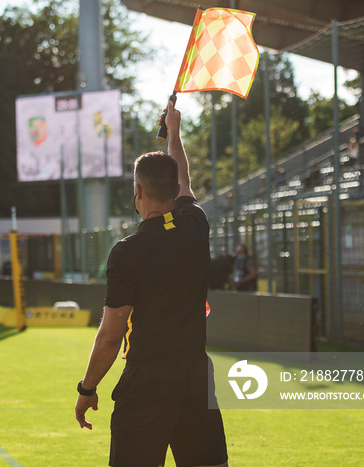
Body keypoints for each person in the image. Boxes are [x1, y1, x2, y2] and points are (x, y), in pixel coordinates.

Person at [75, 100, 228, 467]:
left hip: (147, 381)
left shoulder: (127, 252)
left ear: (138, 192)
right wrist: (174, 132)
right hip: (195, 374)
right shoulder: (195, 224)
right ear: (174, 189)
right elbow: (185, 179)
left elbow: (111, 336)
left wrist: (87, 388)